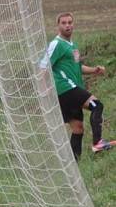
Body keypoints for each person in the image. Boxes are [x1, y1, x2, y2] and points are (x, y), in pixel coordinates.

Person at [39, 12, 113, 161]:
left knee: (78, 129)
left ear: (73, 24)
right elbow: (43, 67)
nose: (67, 25)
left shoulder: (73, 45)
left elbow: (78, 67)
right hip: (65, 88)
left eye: (70, 22)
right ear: (58, 26)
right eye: (64, 23)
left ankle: (75, 164)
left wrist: (94, 70)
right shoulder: (56, 44)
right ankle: (98, 142)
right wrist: (42, 90)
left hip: (70, 90)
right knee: (97, 105)